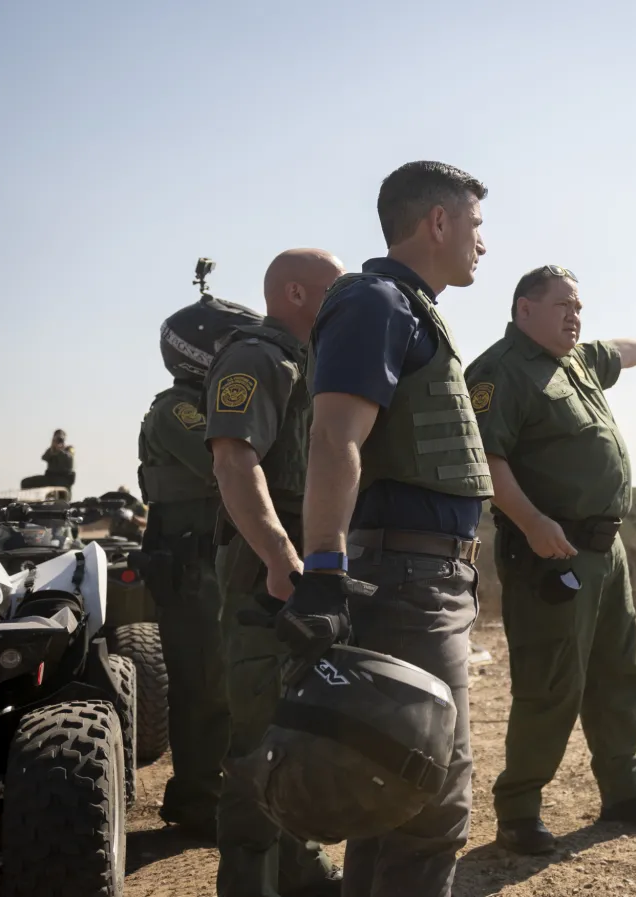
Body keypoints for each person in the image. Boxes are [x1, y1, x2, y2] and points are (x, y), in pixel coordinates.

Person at [289, 160, 489, 897]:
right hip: (408, 582)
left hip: (425, 578)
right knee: (433, 797)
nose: (482, 243)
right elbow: (334, 437)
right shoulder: (376, 302)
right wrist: (322, 571)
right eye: (474, 224)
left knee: (392, 785)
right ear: (437, 222)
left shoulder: (408, 306)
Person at [464, 264, 636, 855]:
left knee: (618, 674)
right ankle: (518, 810)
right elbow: (489, 462)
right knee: (551, 684)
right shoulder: (499, 373)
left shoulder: (576, 360)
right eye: (564, 304)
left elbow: (619, 348)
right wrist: (534, 523)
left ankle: (624, 791)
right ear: (524, 310)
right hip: (550, 552)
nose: (576, 315)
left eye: (579, 306)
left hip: (604, 550)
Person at [204, 248, 346, 897]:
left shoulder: (310, 361)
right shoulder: (256, 357)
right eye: (333, 290)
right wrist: (282, 560)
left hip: (305, 566)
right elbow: (235, 462)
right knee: (260, 737)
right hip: (268, 571)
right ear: (295, 292)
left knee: (303, 725)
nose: (343, 303)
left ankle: (299, 864)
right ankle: (249, 882)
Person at [134, 291, 264, 839]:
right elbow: (223, 467)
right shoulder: (178, 409)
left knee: (229, 682)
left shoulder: (218, 405)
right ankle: (195, 800)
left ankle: (215, 793)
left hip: (218, 564)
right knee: (204, 686)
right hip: (192, 570)